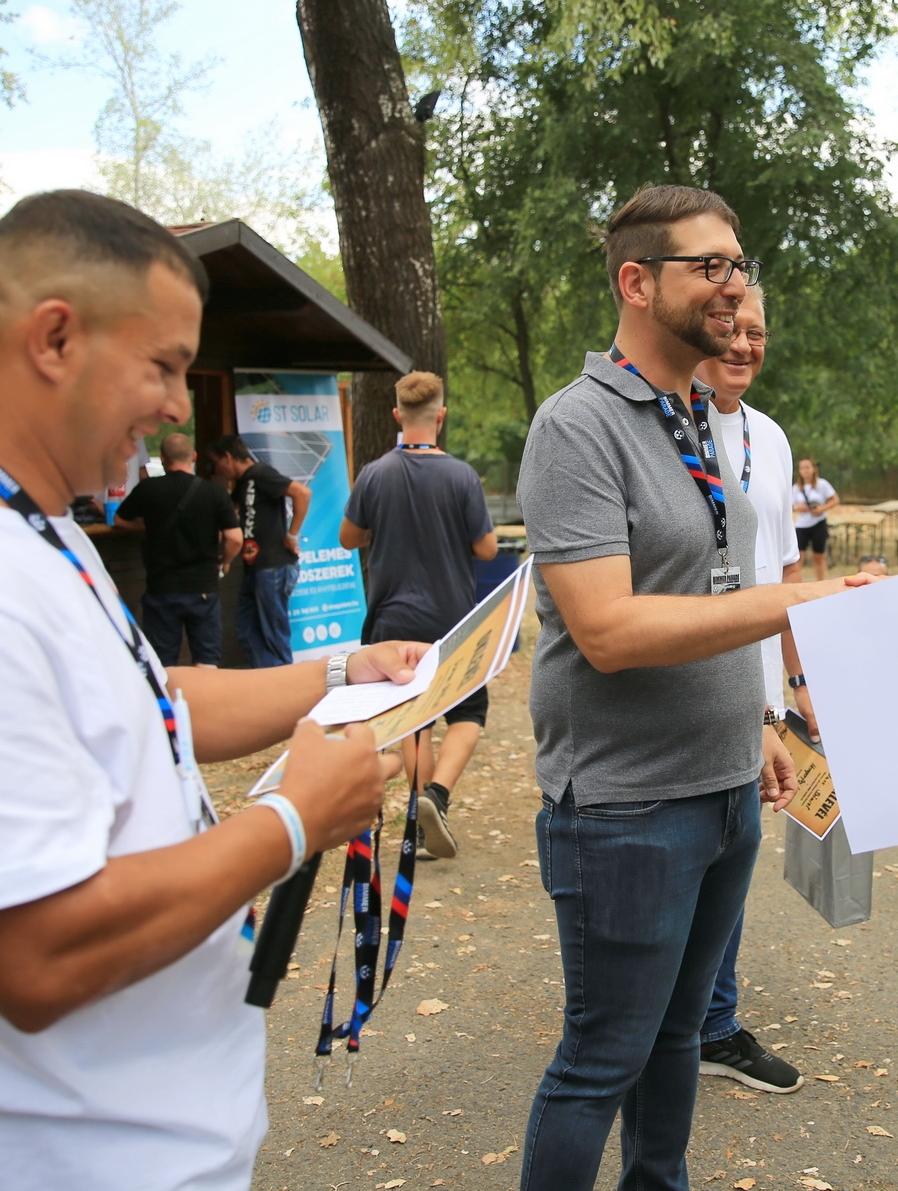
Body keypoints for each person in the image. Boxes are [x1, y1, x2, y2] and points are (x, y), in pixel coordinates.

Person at [0, 190, 427, 1190]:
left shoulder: (26, 526)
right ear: (54, 338)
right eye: (162, 365)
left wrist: (340, 672)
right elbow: (37, 955)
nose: (178, 406)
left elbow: (145, 701)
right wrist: (293, 820)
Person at [515, 184, 864, 1189]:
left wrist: (759, 717)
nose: (733, 285)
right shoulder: (577, 426)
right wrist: (796, 602)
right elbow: (609, 630)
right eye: (708, 266)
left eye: (737, 264)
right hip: (626, 806)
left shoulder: (696, 417)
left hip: (725, 788)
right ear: (636, 282)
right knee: (601, 1060)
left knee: (677, 1037)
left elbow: (707, 594)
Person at [691, 285, 805, 1094]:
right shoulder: (666, 425)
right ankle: (692, 1020)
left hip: (760, 688)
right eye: (730, 328)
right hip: (691, 679)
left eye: (756, 332)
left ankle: (710, 1021)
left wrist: (796, 680)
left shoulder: (771, 436)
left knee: (736, 847)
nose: (742, 344)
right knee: (694, 847)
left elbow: (787, 571)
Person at [339, 371, 497, 859]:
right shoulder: (462, 476)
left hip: (392, 621)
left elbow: (348, 538)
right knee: (468, 712)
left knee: (414, 722)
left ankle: (421, 819)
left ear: (396, 415)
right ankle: (438, 797)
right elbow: (487, 549)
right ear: (441, 415)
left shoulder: (374, 475)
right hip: (452, 619)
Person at [113, 431, 241, 666]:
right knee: (206, 660)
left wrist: (148, 522)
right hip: (203, 587)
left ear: (162, 459)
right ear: (194, 456)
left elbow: (120, 520)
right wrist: (225, 562)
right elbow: (234, 538)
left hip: (162, 588)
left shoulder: (148, 489)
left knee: (163, 663)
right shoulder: (214, 492)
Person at [208, 434, 310, 667]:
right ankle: (264, 677)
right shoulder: (243, 483)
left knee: (273, 634)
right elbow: (229, 514)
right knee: (247, 629)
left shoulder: (261, 473)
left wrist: (292, 535)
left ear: (228, 457)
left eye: (216, 463)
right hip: (255, 567)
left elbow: (302, 493)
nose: (217, 470)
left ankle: (284, 682)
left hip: (273, 566)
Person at [792, 457, 838, 580]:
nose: (805, 471)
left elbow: (834, 500)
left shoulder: (822, 484)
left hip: (818, 523)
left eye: (807, 467)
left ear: (813, 469)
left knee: (819, 556)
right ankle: (796, 584)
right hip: (802, 525)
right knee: (798, 557)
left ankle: (820, 582)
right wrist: (798, 507)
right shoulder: (796, 488)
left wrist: (822, 508)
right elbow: (790, 506)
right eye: (802, 468)